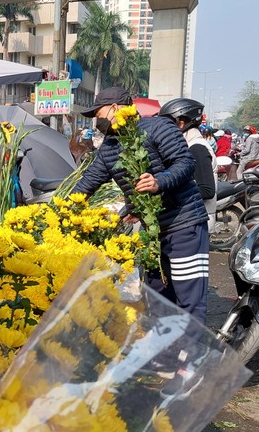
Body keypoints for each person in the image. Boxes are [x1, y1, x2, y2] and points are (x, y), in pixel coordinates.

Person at [73, 87, 209, 323]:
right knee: (157, 298)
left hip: (184, 224)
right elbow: (88, 182)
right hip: (152, 233)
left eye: (99, 113)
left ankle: (190, 358)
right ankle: (165, 353)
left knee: (189, 301)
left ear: (115, 108)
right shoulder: (109, 146)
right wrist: (59, 210)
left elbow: (185, 163)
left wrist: (159, 182)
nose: (96, 120)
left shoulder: (158, 128)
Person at [159, 98, 217, 233]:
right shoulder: (187, 146)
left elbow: (207, 190)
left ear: (181, 123)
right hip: (189, 219)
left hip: (195, 222)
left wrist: (168, 193)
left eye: (168, 123)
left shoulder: (197, 148)